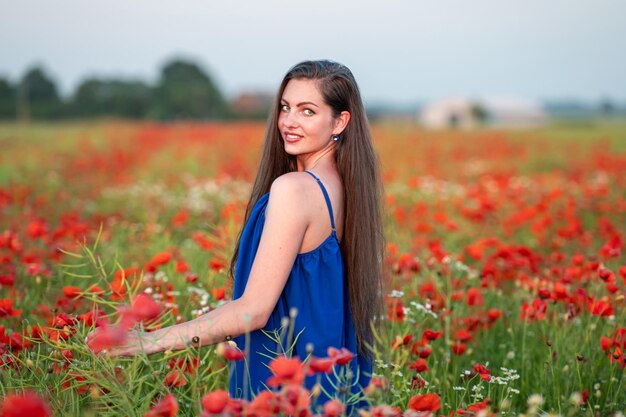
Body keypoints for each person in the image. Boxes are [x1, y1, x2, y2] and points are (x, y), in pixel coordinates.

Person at [87, 59, 384, 412]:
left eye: (307, 111)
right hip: (328, 382)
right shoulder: (347, 188)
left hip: (285, 382)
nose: (289, 122)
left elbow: (254, 311)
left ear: (340, 121)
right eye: (285, 108)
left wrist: (148, 341)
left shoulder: (296, 189)